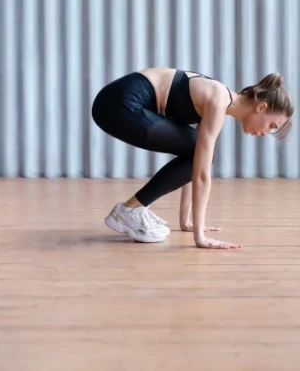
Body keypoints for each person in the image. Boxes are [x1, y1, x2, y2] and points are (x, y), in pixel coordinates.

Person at [91, 68, 293, 249]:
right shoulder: (217, 100)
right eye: (272, 126)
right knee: (204, 154)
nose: (267, 133)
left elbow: (194, 160)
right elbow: (202, 175)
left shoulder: (218, 99)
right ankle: (129, 211)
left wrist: (186, 222)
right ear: (261, 108)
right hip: (119, 104)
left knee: (196, 150)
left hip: (114, 103)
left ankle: (132, 209)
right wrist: (200, 237)